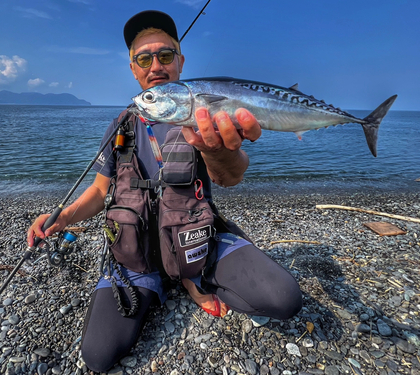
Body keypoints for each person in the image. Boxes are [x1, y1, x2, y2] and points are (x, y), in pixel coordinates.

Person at [27, 10, 302, 373]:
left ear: (180, 62)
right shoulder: (120, 126)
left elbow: (230, 176)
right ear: (133, 68)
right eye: (144, 58)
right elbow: (99, 190)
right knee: (98, 355)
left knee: (284, 299)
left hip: (197, 239)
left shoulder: (202, 116)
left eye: (165, 55)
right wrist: (62, 217)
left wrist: (217, 151)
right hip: (134, 252)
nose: (155, 64)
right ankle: (160, 278)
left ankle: (193, 275)